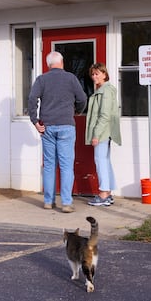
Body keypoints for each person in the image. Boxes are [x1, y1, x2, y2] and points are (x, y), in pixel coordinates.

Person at [28, 51, 87, 213]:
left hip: (47, 126)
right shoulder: (71, 78)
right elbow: (82, 98)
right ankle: (66, 203)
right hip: (66, 125)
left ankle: (48, 201)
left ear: (48, 65)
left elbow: (32, 99)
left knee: (49, 165)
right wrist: (77, 112)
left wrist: (35, 121)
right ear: (62, 62)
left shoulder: (42, 79)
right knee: (67, 166)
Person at [85, 63, 122, 206]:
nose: (94, 77)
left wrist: (96, 134)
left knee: (100, 161)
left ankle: (103, 193)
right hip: (105, 132)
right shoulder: (104, 90)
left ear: (104, 74)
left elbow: (105, 115)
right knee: (105, 161)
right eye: (93, 74)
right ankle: (108, 193)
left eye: (97, 74)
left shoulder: (105, 91)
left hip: (102, 132)